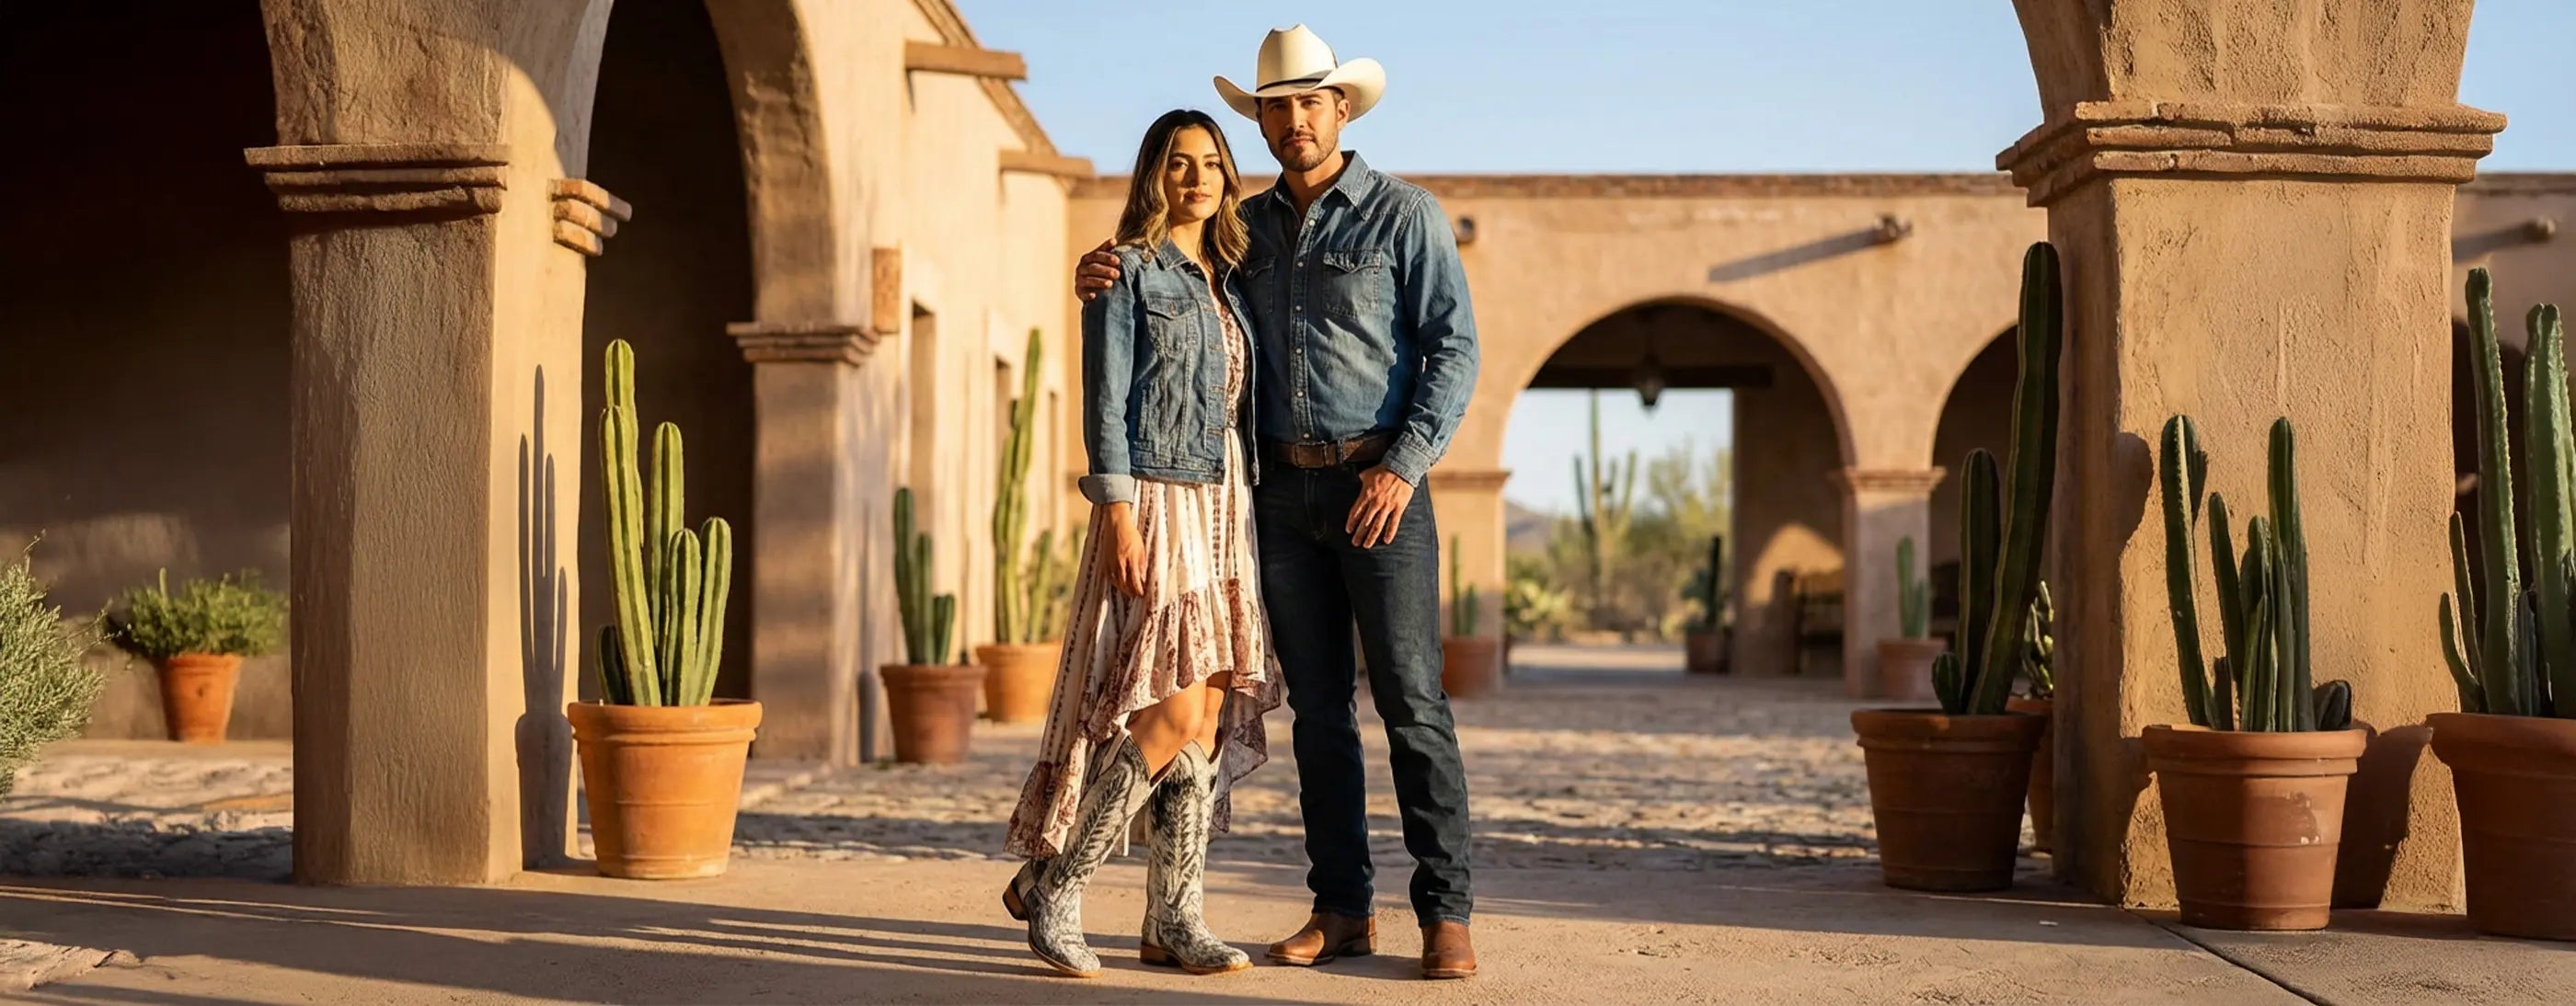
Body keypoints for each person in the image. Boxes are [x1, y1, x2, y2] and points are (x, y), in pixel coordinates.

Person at [1075, 23, 1483, 981]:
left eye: (1309, 102)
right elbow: (1159, 278)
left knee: (1411, 701)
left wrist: (1403, 466)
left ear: (1341, 109)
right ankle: (1341, 905)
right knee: (1319, 713)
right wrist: (1103, 269)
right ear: (1256, 120)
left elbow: (1453, 350)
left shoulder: (1402, 215)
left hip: (1380, 485)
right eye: (1274, 106)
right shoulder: (1239, 229)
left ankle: (1446, 909)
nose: (1293, 120)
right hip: (1274, 495)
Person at [1001, 108, 1283, 980]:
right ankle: (1056, 881)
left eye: (1210, 163)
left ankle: (1172, 921)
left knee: (1202, 709)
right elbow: (1106, 401)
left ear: (1229, 176)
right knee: (1161, 703)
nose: (1195, 178)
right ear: (1153, 176)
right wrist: (1118, 509)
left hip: (1226, 501)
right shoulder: (1123, 272)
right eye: (1177, 163)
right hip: (1159, 495)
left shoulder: (1234, 278)